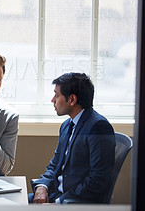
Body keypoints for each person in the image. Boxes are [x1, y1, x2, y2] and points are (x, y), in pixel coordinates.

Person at [29, 72, 115, 204]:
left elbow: (97, 181)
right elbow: (55, 164)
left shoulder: (98, 127)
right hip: (56, 194)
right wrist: (42, 186)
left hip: (75, 202)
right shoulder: (67, 125)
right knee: (11, 202)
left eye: (57, 95)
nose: (53, 100)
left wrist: (58, 203)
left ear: (72, 100)